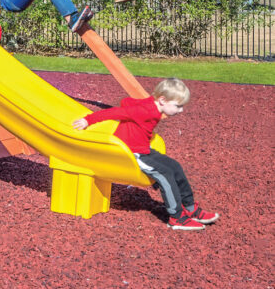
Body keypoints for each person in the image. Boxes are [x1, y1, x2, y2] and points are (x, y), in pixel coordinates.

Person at [73, 78, 219, 231]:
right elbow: (115, 112)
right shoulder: (146, 111)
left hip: (143, 149)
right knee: (166, 175)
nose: (181, 110)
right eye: (178, 106)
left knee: (175, 167)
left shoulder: (151, 104)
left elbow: (127, 101)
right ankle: (176, 218)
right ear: (162, 100)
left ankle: (190, 208)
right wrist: (87, 120)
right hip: (131, 153)